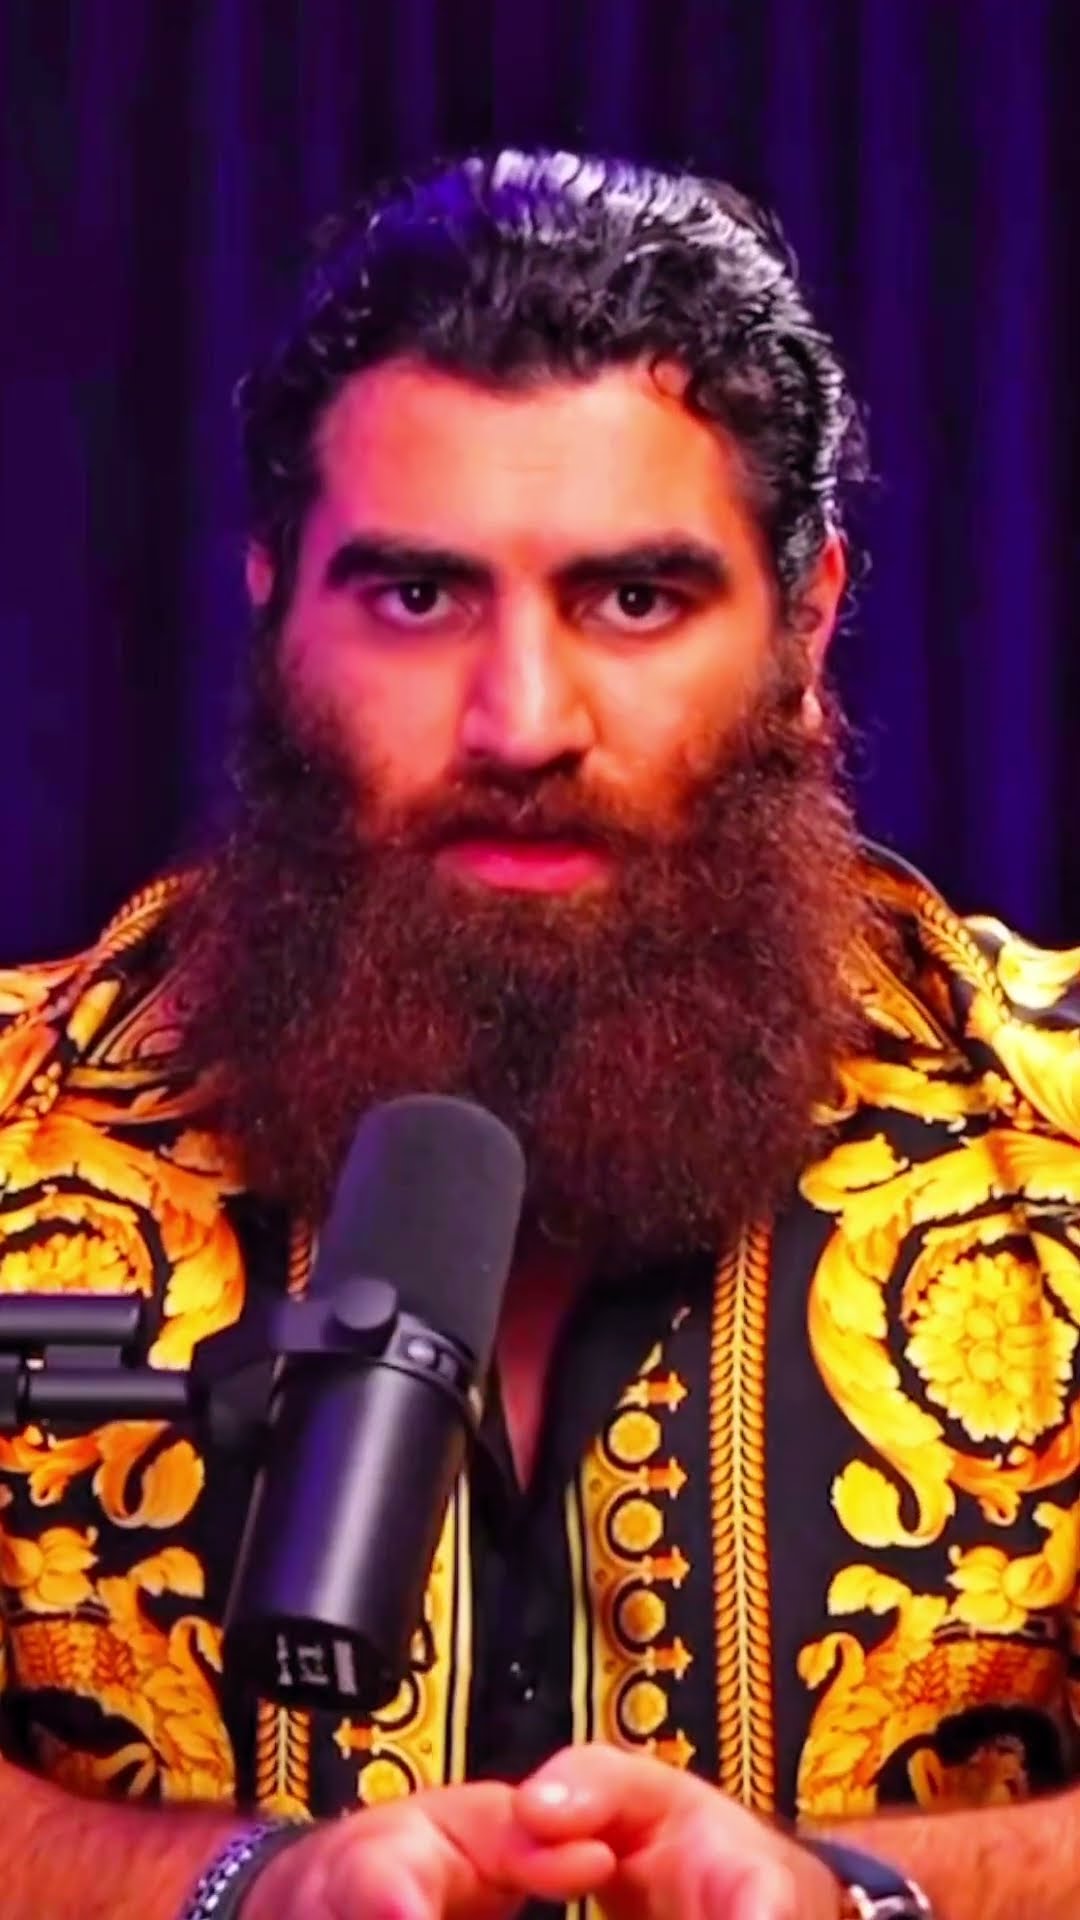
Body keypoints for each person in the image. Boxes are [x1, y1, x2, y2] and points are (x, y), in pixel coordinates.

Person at [0, 147, 1078, 1920]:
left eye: (633, 599)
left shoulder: (1057, 1142)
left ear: (809, 623)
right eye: (418, 597)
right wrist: (237, 1890)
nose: (520, 721)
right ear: (272, 604)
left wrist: (860, 1898)